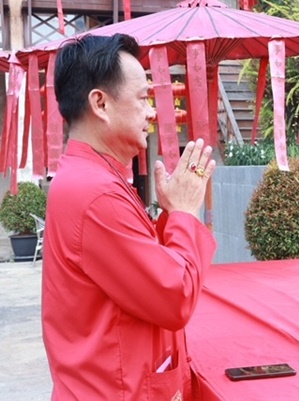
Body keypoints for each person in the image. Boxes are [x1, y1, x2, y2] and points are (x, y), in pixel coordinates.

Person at [42, 34, 217, 400]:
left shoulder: (92, 178)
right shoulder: (96, 193)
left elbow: (139, 272)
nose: (151, 112)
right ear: (100, 104)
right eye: (142, 98)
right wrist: (184, 213)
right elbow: (175, 297)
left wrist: (170, 215)